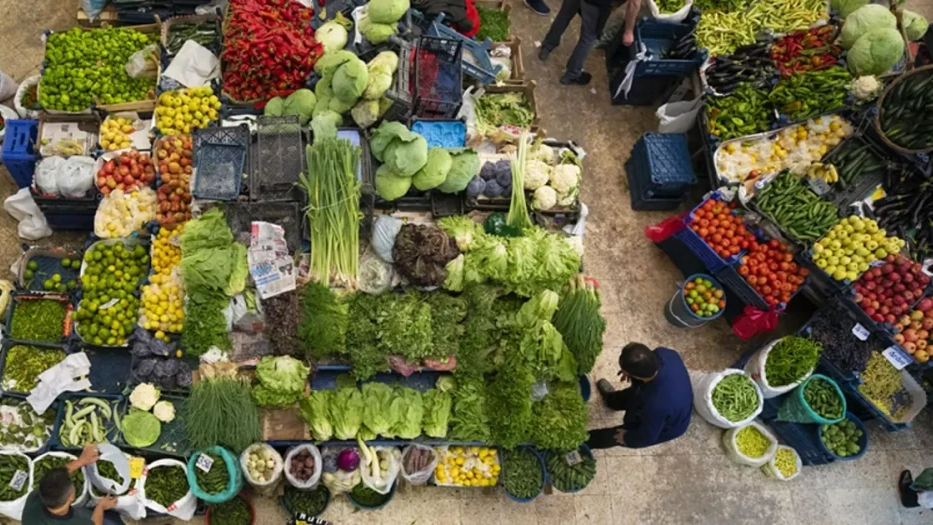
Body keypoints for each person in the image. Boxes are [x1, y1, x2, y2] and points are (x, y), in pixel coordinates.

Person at [587, 343, 693, 449]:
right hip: (665, 395)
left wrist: (627, 438)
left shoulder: (655, 406)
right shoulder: (665, 354)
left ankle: (586, 442)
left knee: (617, 435)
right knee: (631, 394)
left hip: (669, 424)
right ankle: (612, 400)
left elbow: (647, 436)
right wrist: (628, 371)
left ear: (637, 375)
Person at [538, 0, 642, 85]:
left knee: (564, 16)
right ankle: (572, 74)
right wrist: (628, 31)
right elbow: (634, 3)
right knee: (588, 38)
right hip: (594, 4)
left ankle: (547, 47)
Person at [22, 444, 124, 525]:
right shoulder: (76, 522)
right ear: (71, 497)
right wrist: (101, 507)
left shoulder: (34, 498)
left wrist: (81, 461)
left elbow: (57, 477)